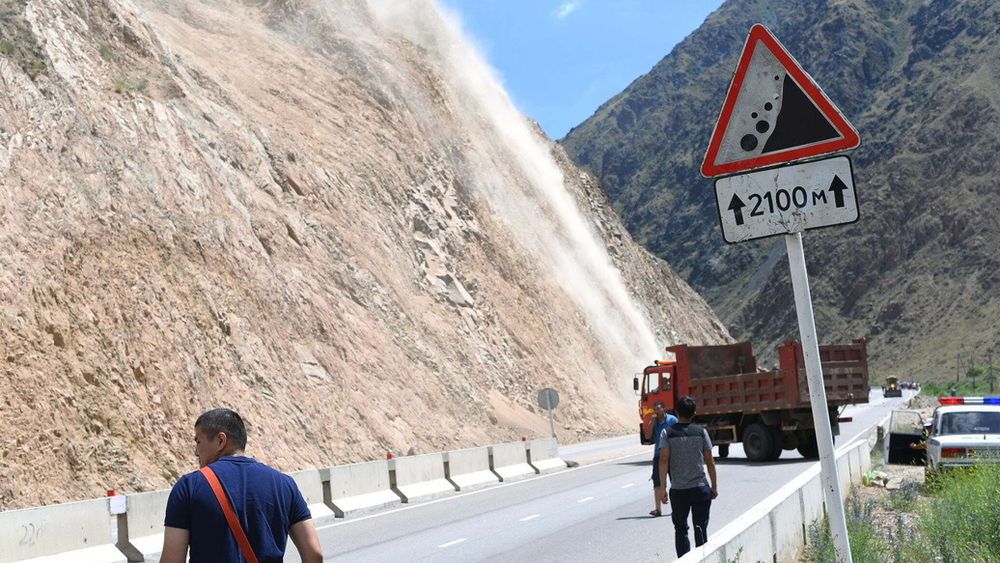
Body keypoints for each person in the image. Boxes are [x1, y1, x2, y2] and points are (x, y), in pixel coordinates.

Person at [160, 408, 324, 563]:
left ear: (220, 440)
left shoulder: (189, 486)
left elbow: (172, 560)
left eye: (198, 441)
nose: (196, 451)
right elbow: (314, 554)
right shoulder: (285, 484)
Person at [658, 396, 718, 557]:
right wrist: (714, 486)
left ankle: (684, 559)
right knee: (701, 528)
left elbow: (663, 460)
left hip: (679, 491)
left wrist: (662, 488)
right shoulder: (701, 432)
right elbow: (710, 462)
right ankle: (703, 559)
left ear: (676, 412)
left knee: (680, 529)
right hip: (700, 488)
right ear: (694, 413)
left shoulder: (667, 433)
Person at [646, 401, 678, 517]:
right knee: (657, 482)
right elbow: (648, 436)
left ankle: (677, 507)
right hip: (658, 455)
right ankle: (657, 509)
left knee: (674, 481)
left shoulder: (672, 420)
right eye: (655, 410)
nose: (656, 412)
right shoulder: (654, 422)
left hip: (672, 455)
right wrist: (651, 423)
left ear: (664, 409)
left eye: (658, 409)